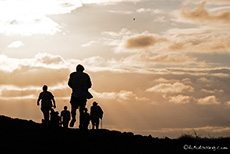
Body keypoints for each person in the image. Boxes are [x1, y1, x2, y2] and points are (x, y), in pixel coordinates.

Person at [68, 64, 93, 128]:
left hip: (75, 94)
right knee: (81, 110)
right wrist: (84, 88)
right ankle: (81, 124)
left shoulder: (73, 74)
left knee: (73, 108)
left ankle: (73, 118)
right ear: (83, 69)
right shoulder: (86, 76)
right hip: (83, 95)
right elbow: (90, 85)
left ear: (76, 69)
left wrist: (74, 88)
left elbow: (69, 83)